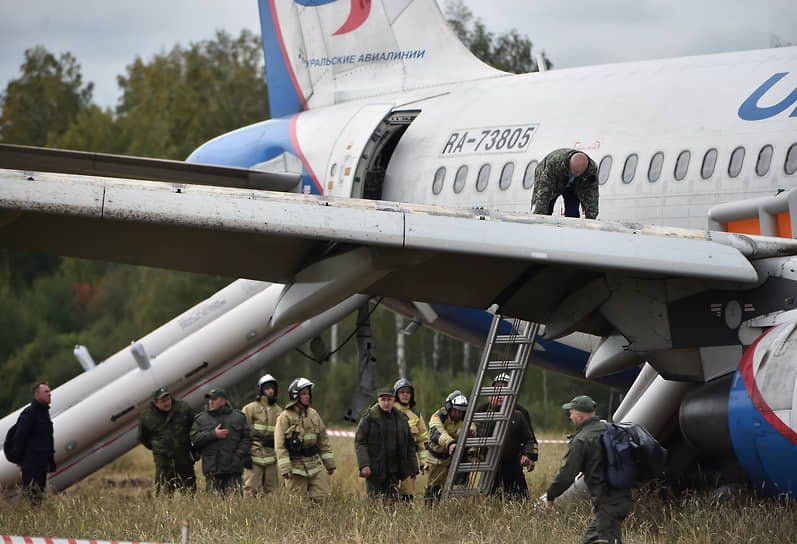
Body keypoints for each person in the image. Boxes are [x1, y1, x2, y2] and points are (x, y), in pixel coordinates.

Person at [545, 395, 632, 544]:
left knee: (594, 539)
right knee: (610, 538)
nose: (570, 416)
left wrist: (551, 495)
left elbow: (567, 474)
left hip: (608, 500)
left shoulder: (582, 439)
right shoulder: (609, 429)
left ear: (579, 416)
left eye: (571, 413)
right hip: (622, 496)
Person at [474, 373, 539, 499]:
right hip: (489, 464)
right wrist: (476, 455)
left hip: (513, 462)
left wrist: (530, 456)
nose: (500, 394)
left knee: (521, 500)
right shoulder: (481, 411)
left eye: (505, 389)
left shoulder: (520, 413)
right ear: (490, 394)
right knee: (488, 501)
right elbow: (473, 436)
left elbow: (530, 439)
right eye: (498, 389)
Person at [274, 377, 336, 502]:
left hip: (315, 466)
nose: (307, 396)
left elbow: (323, 440)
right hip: (295, 469)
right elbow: (280, 446)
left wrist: (329, 464)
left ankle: (319, 522)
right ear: (295, 395)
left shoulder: (314, 414)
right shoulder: (284, 417)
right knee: (297, 504)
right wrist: (286, 469)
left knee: (322, 499)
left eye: (308, 393)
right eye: (303, 394)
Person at [354, 388, 419, 504]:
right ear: (378, 400)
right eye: (383, 399)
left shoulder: (401, 418)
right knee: (374, 503)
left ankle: (391, 522)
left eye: (389, 399)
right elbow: (360, 442)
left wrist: (413, 466)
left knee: (392, 504)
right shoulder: (369, 418)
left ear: (394, 400)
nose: (386, 402)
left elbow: (409, 444)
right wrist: (364, 465)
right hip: (375, 470)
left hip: (394, 470)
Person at [190, 387, 253, 494]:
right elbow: (195, 439)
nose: (211, 401)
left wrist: (238, 456)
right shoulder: (201, 419)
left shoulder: (238, 417)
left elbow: (247, 439)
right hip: (212, 472)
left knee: (236, 503)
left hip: (233, 470)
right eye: (209, 399)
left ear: (223, 400)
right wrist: (213, 434)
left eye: (214, 399)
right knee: (214, 507)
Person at [137, 386, 197, 494]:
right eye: (163, 401)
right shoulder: (147, 416)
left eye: (168, 399)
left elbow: (194, 428)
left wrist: (195, 449)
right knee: (163, 495)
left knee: (189, 492)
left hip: (184, 460)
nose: (167, 403)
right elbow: (142, 437)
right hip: (163, 464)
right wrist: (158, 447)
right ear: (155, 403)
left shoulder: (183, 409)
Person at [424, 390, 475, 503]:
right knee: (434, 490)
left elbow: (473, 430)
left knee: (459, 487)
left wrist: (473, 450)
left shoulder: (467, 419)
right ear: (449, 408)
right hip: (437, 461)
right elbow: (437, 432)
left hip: (455, 459)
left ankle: (455, 511)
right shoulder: (438, 417)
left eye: (461, 411)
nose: (458, 413)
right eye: (455, 410)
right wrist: (450, 443)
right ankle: (431, 513)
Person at [12, 382, 55, 503]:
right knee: (32, 497)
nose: (49, 394)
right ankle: (30, 519)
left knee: (39, 497)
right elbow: (19, 438)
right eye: (46, 392)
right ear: (37, 395)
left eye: (49, 391)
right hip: (31, 465)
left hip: (42, 464)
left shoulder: (44, 413)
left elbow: (47, 439)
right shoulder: (29, 414)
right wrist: (20, 460)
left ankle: (36, 519)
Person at [241, 374, 283, 496]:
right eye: (267, 388)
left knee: (273, 492)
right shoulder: (250, 409)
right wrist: (245, 454)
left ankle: (272, 514)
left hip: (271, 457)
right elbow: (243, 433)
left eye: (272, 388)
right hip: (254, 455)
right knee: (250, 489)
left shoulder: (279, 412)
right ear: (261, 390)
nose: (270, 390)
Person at [531, 148, 599, 219]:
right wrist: (539, 217)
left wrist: (591, 218)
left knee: (573, 212)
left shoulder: (590, 171)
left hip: (573, 186)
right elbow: (544, 191)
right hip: (553, 182)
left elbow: (592, 195)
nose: (577, 174)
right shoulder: (554, 165)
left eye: (579, 173)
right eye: (574, 172)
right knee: (546, 208)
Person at [393, 378, 429, 501]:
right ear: (396, 394)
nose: (405, 395)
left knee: (407, 496)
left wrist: (423, 462)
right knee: (389, 494)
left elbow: (423, 441)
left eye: (408, 392)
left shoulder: (416, 415)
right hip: (390, 460)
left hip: (409, 461)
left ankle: (405, 519)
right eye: (402, 392)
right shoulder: (388, 411)